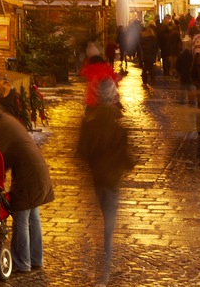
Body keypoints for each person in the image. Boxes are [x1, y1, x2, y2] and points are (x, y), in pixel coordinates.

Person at [0, 93, 54, 274]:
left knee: (21, 219)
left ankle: (22, 262)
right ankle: (36, 259)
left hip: (28, 178)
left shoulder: (0, 127)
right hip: (37, 173)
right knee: (32, 217)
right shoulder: (5, 120)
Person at [76, 77, 135, 285]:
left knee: (97, 224)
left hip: (95, 179)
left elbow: (81, 152)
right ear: (113, 97)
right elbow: (127, 158)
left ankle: (97, 265)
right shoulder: (119, 123)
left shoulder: (88, 121)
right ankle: (105, 271)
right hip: (112, 181)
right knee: (108, 228)